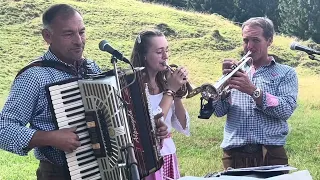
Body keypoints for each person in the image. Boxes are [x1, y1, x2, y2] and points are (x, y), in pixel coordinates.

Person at [0, 4, 168, 180]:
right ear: (47, 36)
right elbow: (3, 128)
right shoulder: (34, 77)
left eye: (81, 32)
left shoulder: (91, 68)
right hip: (59, 174)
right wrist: (50, 137)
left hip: (102, 171)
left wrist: (147, 126)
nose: (79, 41)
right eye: (68, 34)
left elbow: (113, 117)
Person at [213, 17, 298, 170]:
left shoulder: (286, 73)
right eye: (245, 40)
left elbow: (286, 109)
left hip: (271, 154)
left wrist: (253, 91)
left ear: (269, 40)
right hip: (234, 154)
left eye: (256, 40)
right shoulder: (234, 72)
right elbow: (219, 111)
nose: (249, 46)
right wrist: (224, 88)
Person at [131, 29, 191, 180]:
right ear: (144, 56)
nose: (166, 56)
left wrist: (177, 94)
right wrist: (170, 91)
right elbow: (152, 123)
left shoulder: (164, 83)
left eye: (167, 50)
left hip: (168, 154)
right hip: (148, 159)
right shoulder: (135, 87)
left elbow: (182, 125)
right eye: (159, 52)